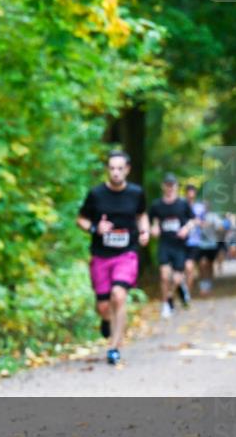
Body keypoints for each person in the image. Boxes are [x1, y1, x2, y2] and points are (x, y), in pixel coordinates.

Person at [77, 151, 149, 365]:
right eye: (112, 168)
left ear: (127, 170)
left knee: (118, 295)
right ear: (107, 170)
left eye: (120, 168)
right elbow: (80, 219)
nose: (116, 173)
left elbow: (141, 214)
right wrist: (94, 227)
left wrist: (144, 231)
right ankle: (107, 320)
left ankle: (114, 347)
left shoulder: (136, 193)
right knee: (103, 306)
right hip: (101, 255)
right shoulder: (96, 194)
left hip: (126, 253)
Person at [148, 173, 194, 318]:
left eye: (172, 185)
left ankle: (173, 294)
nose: (169, 188)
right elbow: (151, 222)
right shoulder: (156, 205)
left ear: (176, 186)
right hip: (164, 245)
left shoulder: (182, 204)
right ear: (163, 186)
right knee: (164, 276)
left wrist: (186, 229)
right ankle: (166, 304)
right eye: (167, 185)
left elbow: (192, 220)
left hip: (179, 246)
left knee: (176, 278)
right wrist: (153, 229)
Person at [182, 183, 204, 301]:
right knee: (180, 270)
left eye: (192, 194)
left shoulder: (200, 208)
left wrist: (198, 223)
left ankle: (187, 295)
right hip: (180, 242)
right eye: (188, 193)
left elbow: (204, 223)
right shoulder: (180, 205)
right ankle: (182, 290)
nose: (190, 196)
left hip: (194, 242)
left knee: (189, 268)